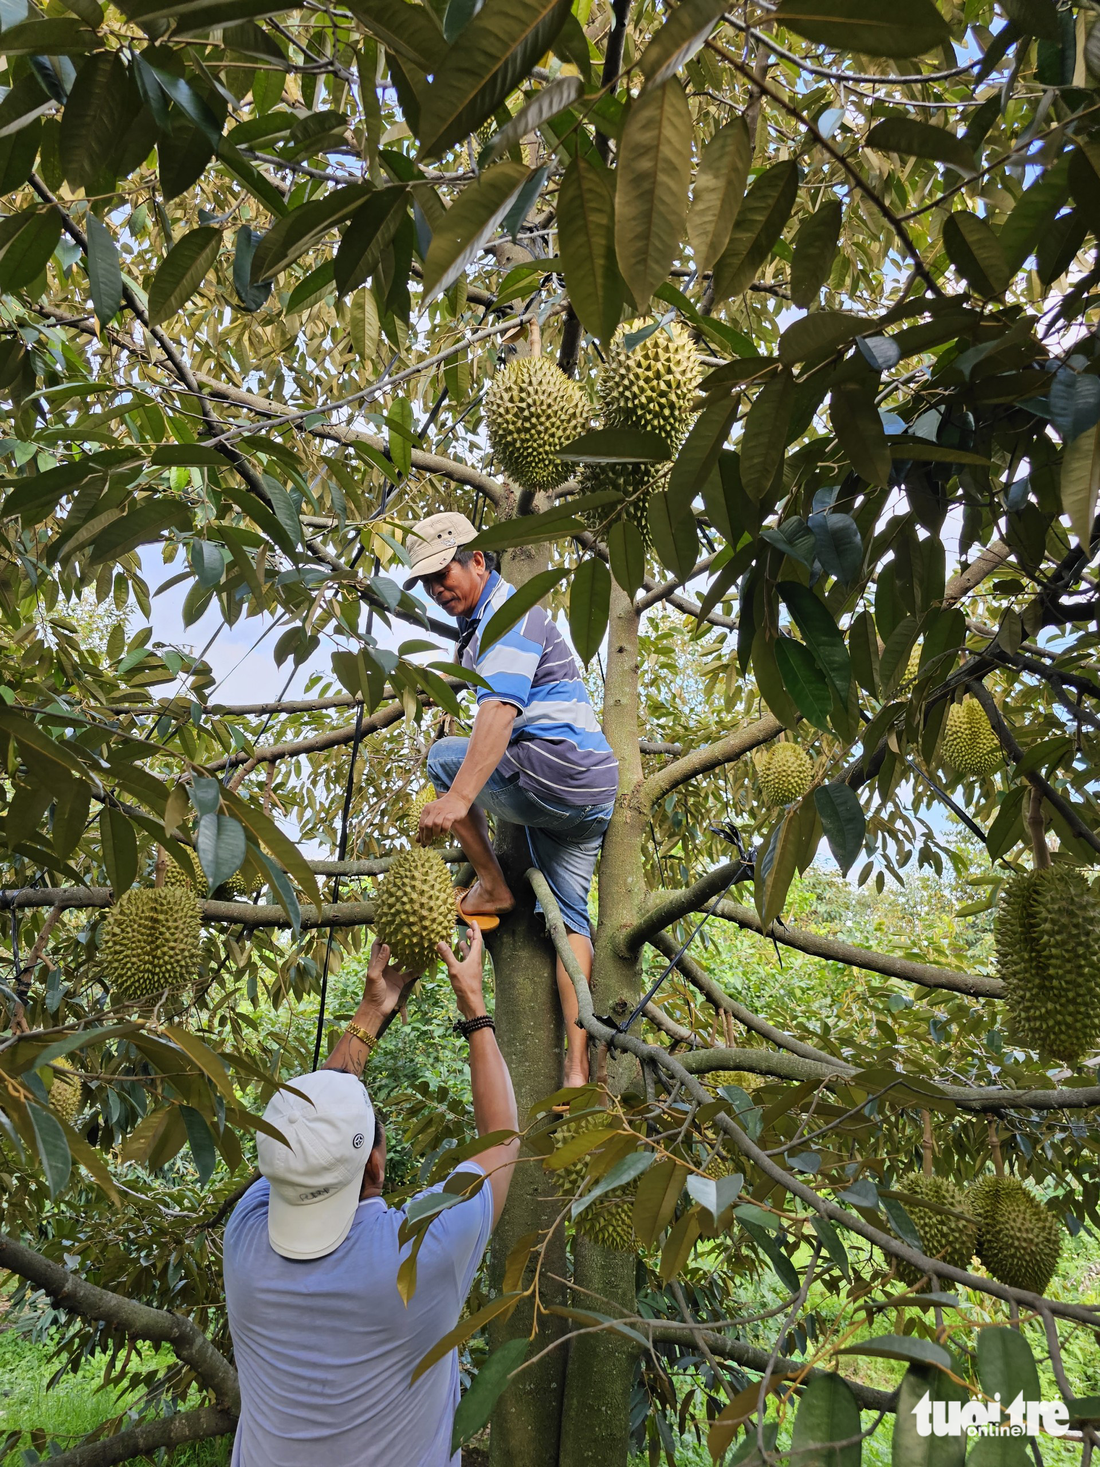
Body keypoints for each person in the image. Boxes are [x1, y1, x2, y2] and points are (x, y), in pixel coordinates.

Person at [223, 924, 518, 1467]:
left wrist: (371, 1011)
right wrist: (473, 1004)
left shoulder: (245, 1236)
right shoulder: (418, 1251)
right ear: (377, 1162)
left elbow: (308, 1133)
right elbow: (503, 1142)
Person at [404, 511, 619, 1087]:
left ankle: (495, 886)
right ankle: (577, 1072)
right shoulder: (485, 628)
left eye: (443, 573)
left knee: (445, 757)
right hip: (589, 798)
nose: (437, 589)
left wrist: (457, 796)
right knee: (572, 926)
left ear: (479, 559)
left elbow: (499, 712)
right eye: (427, 582)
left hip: (559, 778)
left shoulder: (508, 613)